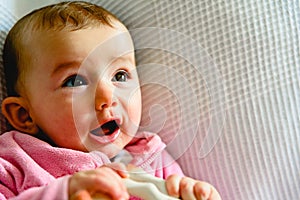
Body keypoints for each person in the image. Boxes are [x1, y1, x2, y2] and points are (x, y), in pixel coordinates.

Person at [0, 1, 221, 200]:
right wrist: (63, 193)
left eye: (120, 76)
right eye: (75, 81)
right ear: (24, 115)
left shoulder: (152, 160)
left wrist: (192, 194)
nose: (107, 97)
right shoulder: (15, 164)